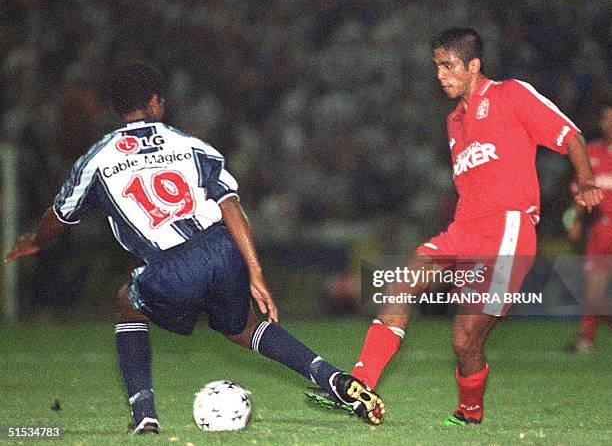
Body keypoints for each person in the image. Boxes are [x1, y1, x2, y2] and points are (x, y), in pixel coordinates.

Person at [4, 62, 384, 433]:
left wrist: (34, 240)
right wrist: (255, 271)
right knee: (246, 329)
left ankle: (144, 415)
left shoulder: (97, 159)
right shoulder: (189, 145)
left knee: (127, 301)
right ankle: (331, 377)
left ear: (116, 108)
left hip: (174, 265)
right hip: (221, 247)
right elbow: (230, 204)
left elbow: (59, 215)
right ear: (155, 102)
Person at [306, 27, 603, 425]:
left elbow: (571, 135)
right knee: (404, 279)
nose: (441, 75)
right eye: (437, 67)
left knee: (465, 339)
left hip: (506, 231)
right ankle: (359, 385)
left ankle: (470, 411)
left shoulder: (510, 95)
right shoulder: (454, 121)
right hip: (463, 230)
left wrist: (584, 183)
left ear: (473, 65)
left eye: (448, 66)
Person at [564, 103, 612, 353]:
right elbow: (580, 192)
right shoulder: (590, 152)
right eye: (606, 119)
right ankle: (586, 338)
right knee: (594, 293)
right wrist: (574, 219)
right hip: (600, 232)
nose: (609, 124)